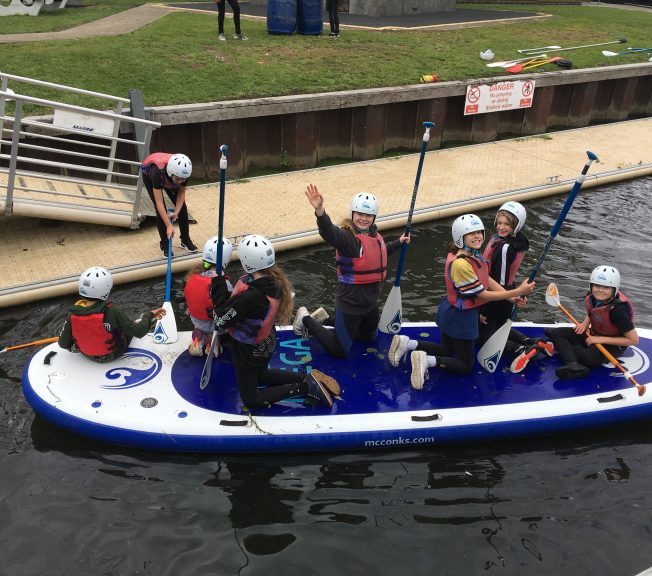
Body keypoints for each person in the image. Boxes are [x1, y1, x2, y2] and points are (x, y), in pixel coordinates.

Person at [388, 214, 535, 388]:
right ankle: (426, 361)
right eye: (471, 233)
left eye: (479, 232)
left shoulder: (470, 255)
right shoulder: (461, 265)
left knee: (448, 350)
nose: (478, 236)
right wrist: (518, 290)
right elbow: (482, 295)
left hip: (451, 310)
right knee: (466, 365)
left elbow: (486, 278)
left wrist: (511, 296)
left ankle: (407, 343)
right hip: (461, 317)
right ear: (460, 236)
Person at [211, 234, 340, 409]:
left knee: (250, 399)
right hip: (265, 343)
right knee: (261, 375)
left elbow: (220, 319)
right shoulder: (273, 282)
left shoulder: (252, 297)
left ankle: (305, 387)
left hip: (249, 351)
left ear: (247, 263)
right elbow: (237, 309)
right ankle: (305, 376)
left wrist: (217, 283)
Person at [294, 184, 410, 358]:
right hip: (350, 305)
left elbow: (380, 253)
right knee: (340, 350)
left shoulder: (373, 234)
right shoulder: (346, 238)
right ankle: (305, 319)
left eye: (368, 215)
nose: (363, 219)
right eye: (359, 214)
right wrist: (320, 210)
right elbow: (329, 232)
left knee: (369, 338)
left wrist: (399, 242)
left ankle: (326, 319)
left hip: (370, 304)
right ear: (353, 214)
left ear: (374, 217)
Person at [478, 201, 554, 373]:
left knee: (485, 338)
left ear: (516, 226)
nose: (501, 227)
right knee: (500, 328)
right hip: (504, 293)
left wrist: (484, 308)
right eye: (499, 222)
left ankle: (519, 350)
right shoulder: (508, 240)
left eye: (507, 224)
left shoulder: (505, 248)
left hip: (498, 296)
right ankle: (532, 341)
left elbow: (500, 280)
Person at [544, 265, 638, 380]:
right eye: (597, 285)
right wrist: (584, 324)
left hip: (613, 345)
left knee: (589, 359)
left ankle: (563, 348)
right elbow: (592, 312)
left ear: (614, 289)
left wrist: (599, 339)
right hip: (594, 335)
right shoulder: (592, 297)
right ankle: (572, 364)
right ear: (591, 285)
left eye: (606, 287)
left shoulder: (618, 311)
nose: (600, 290)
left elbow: (633, 340)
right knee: (556, 333)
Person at [58, 267, 165, 363]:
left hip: (87, 355)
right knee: (128, 328)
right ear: (106, 290)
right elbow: (139, 332)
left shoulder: (72, 314)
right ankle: (138, 321)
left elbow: (63, 344)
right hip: (113, 354)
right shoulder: (112, 312)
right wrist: (149, 315)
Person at [140, 152, 197, 258]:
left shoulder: (183, 174)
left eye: (183, 180)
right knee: (161, 211)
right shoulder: (157, 173)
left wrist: (176, 212)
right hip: (150, 174)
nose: (180, 182)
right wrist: (169, 225)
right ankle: (165, 244)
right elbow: (159, 203)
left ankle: (185, 240)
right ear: (171, 172)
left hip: (168, 177)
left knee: (182, 207)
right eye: (178, 179)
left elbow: (181, 193)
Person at [184, 236, 233, 357]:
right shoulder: (223, 284)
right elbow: (229, 308)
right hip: (214, 326)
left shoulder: (193, 276)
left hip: (195, 320)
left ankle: (199, 336)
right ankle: (213, 341)